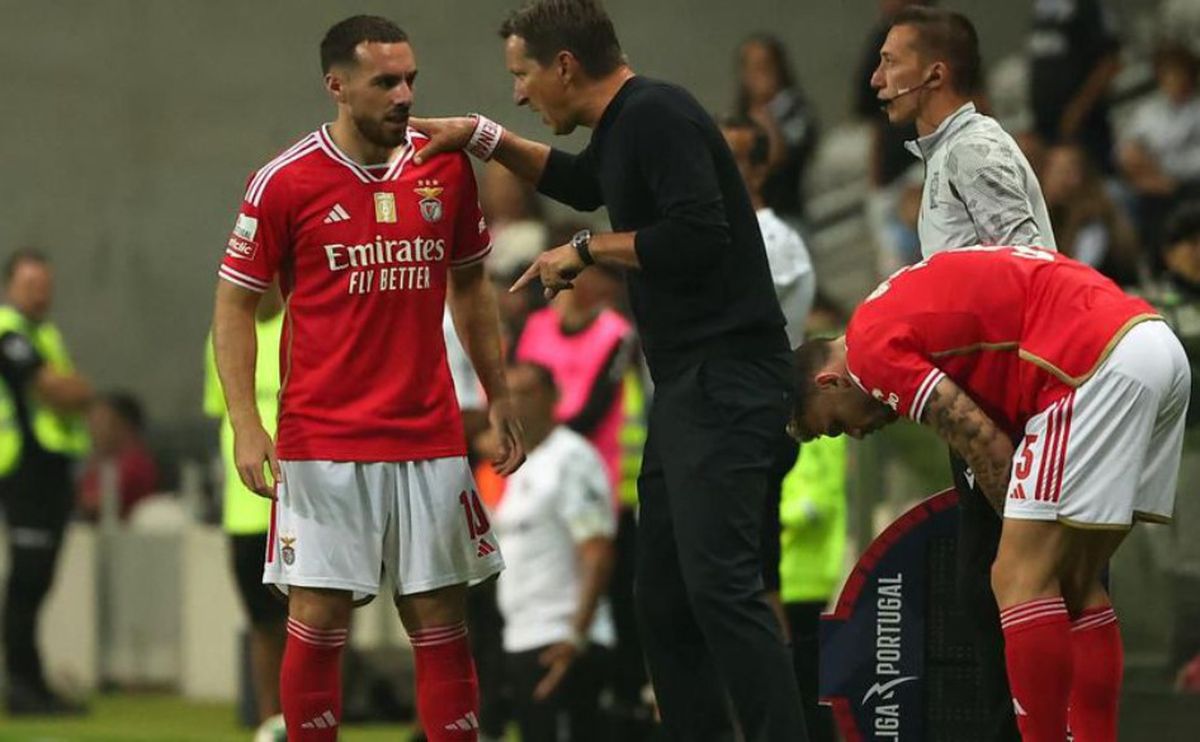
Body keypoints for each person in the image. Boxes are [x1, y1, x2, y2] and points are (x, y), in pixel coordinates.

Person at [410, 1, 807, 738]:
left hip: (728, 378)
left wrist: (587, 251)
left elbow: (698, 234)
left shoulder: (657, 113)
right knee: (660, 596)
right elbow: (584, 181)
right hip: (689, 386)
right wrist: (481, 137)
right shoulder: (628, 123)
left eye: (522, 75)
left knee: (721, 590)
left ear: (564, 65)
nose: (520, 93)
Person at [209, 15, 524, 742]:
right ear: (338, 85)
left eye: (411, 78)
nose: (405, 93)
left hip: (430, 432)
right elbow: (233, 301)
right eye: (386, 81)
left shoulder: (445, 166)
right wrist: (247, 425)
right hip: (324, 439)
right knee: (317, 616)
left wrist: (499, 394)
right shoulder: (284, 181)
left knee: (442, 618)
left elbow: (471, 288)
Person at [790, 244, 1188, 742]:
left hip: (1089, 365)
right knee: (1077, 584)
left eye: (833, 427)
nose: (852, 435)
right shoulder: (887, 308)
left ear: (829, 383)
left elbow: (979, 437)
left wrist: (1018, 529)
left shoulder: (869, 355)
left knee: (1015, 576)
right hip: (1152, 344)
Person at [871, 8, 1057, 739]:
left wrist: (1008, 426)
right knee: (987, 597)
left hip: (1008, 412)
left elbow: (1035, 282)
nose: (876, 79)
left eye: (890, 62)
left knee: (1008, 598)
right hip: (983, 407)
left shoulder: (977, 152)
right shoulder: (946, 158)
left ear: (935, 74)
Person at [492, 362, 616, 742]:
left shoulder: (571, 459)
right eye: (507, 394)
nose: (514, 404)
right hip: (523, 636)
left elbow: (597, 551)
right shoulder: (520, 464)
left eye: (525, 393)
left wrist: (575, 637)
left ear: (553, 398)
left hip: (562, 639)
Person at [0, 249, 92, 715]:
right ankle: (23, 684)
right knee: (28, 579)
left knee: (36, 580)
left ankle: (28, 681)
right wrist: (78, 390)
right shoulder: (8, 333)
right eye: (30, 284)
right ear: (10, 286)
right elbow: (58, 390)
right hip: (23, 469)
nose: (40, 293)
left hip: (49, 469)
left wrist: (72, 391)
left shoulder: (43, 334)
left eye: (45, 284)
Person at [203, 283, 288, 737]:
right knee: (261, 620)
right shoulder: (225, 334)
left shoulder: (299, 325)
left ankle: (307, 713)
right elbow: (219, 410)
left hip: (301, 498)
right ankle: (268, 720)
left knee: (312, 612)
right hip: (244, 504)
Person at [515, 227, 634, 500]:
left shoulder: (615, 333)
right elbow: (517, 384)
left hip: (589, 467)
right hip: (531, 464)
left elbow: (594, 410)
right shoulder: (536, 326)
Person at [720, 115, 815, 349]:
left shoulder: (774, 240)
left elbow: (722, 322)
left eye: (727, 159)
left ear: (759, 173)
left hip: (760, 383)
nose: (712, 168)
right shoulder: (712, 235)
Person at [1119, 43, 1200, 262]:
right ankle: (1158, 264)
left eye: (1179, 73)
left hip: (1190, 186)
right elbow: (1128, 154)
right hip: (1151, 187)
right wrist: (1152, 177)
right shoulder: (1149, 112)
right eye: (1168, 74)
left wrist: (1164, 171)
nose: (1174, 80)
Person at [733, 33, 819, 221]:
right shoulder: (739, 119)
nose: (759, 75)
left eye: (765, 66)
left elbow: (776, 158)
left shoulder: (795, 110)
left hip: (788, 214)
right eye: (752, 68)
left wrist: (765, 111)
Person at [1028, 0, 1121, 173]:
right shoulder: (1043, 9)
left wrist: (1077, 110)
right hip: (1047, 126)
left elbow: (1109, 62)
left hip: (1084, 125)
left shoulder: (1088, 6)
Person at [1042, 143, 1141, 285]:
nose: (1052, 178)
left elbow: (1082, 271)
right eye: (1051, 169)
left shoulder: (1094, 218)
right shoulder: (1049, 214)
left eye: (1062, 171)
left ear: (1077, 177)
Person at [77, 392, 158, 522]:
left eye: (99, 421)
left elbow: (95, 505)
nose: (91, 429)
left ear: (124, 426)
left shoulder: (135, 465)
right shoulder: (100, 463)